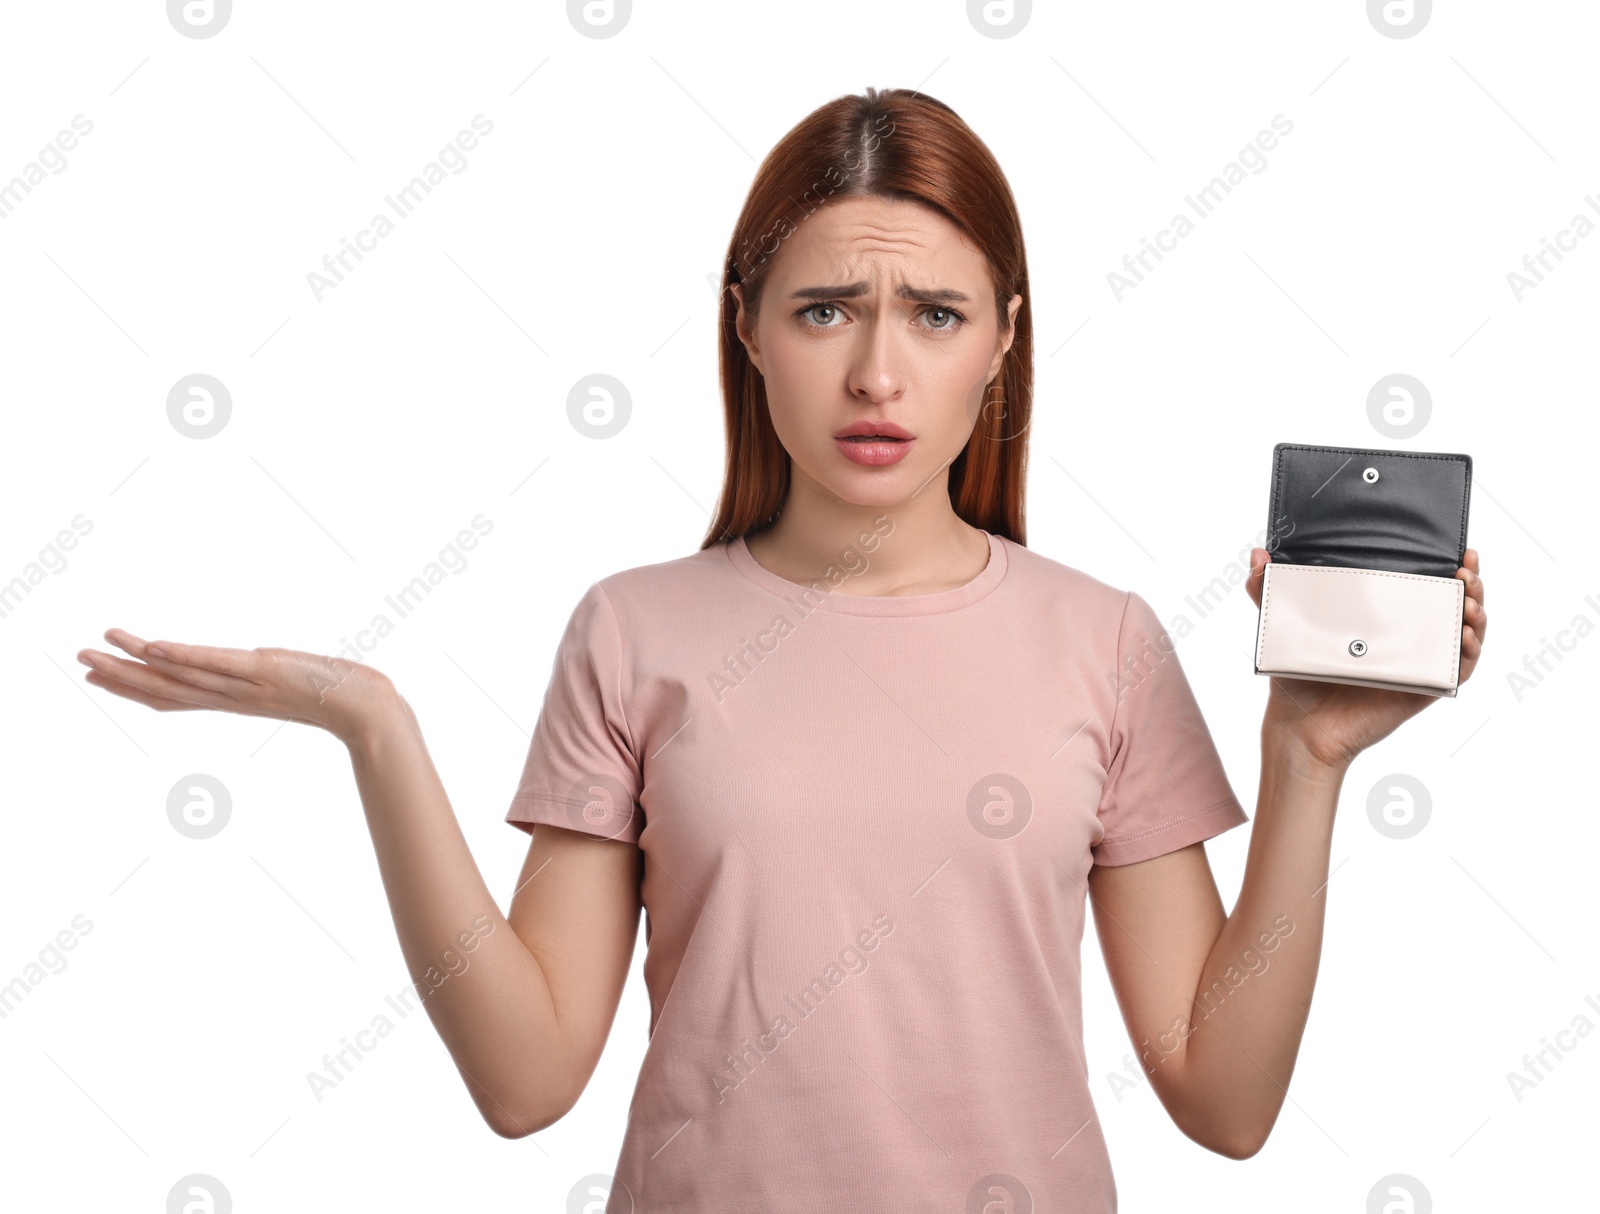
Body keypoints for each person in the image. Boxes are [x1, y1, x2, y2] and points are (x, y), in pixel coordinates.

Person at [76, 86, 1488, 1211]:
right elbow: (524, 1078)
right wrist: (374, 725)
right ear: (748, 329)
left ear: (1002, 339)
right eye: (826, 310)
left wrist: (1306, 759)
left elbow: (1224, 1102)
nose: (878, 373)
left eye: (934, 315)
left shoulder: (1101, 642)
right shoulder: (634, 629)